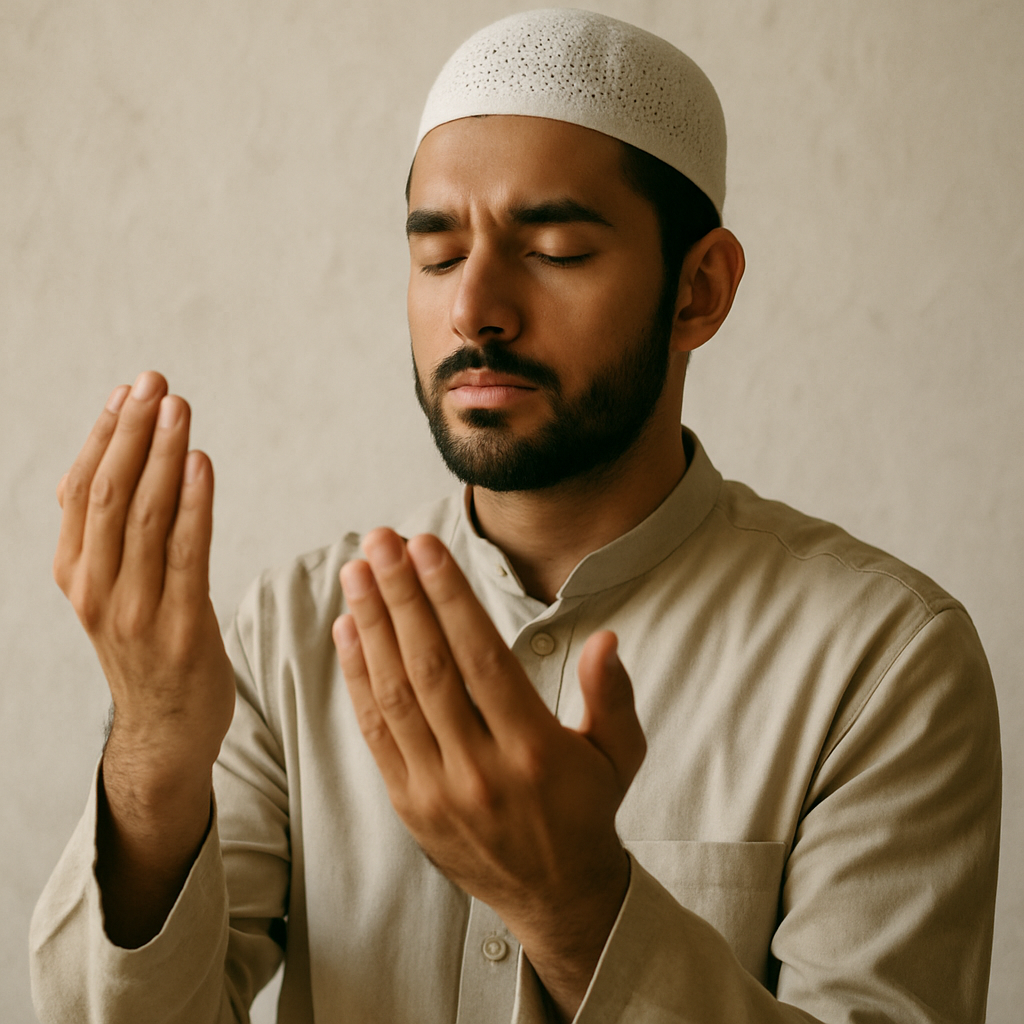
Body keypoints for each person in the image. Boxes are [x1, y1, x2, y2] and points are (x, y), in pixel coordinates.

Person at [30, 8, 1000, 1024]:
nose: (474, 308)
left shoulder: (882, 661)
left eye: (554, 250)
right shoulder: (292, 633)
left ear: (698, 291)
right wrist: (152, 749)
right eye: (439, 255)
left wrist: (579, 906)